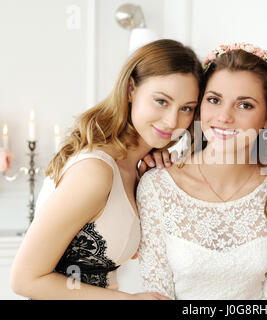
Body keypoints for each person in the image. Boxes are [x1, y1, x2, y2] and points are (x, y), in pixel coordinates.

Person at [10, 39, 203, 300]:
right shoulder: (94, 172)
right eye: (161, 101)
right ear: (131, 89)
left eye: (186, 108)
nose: (172, 121)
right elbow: (25, 279)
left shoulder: (134, 169)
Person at [137, 43, 267, 299]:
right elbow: (157, 290)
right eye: (214, 100)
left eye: (245, 105)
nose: (224, 117)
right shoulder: (157, 185)